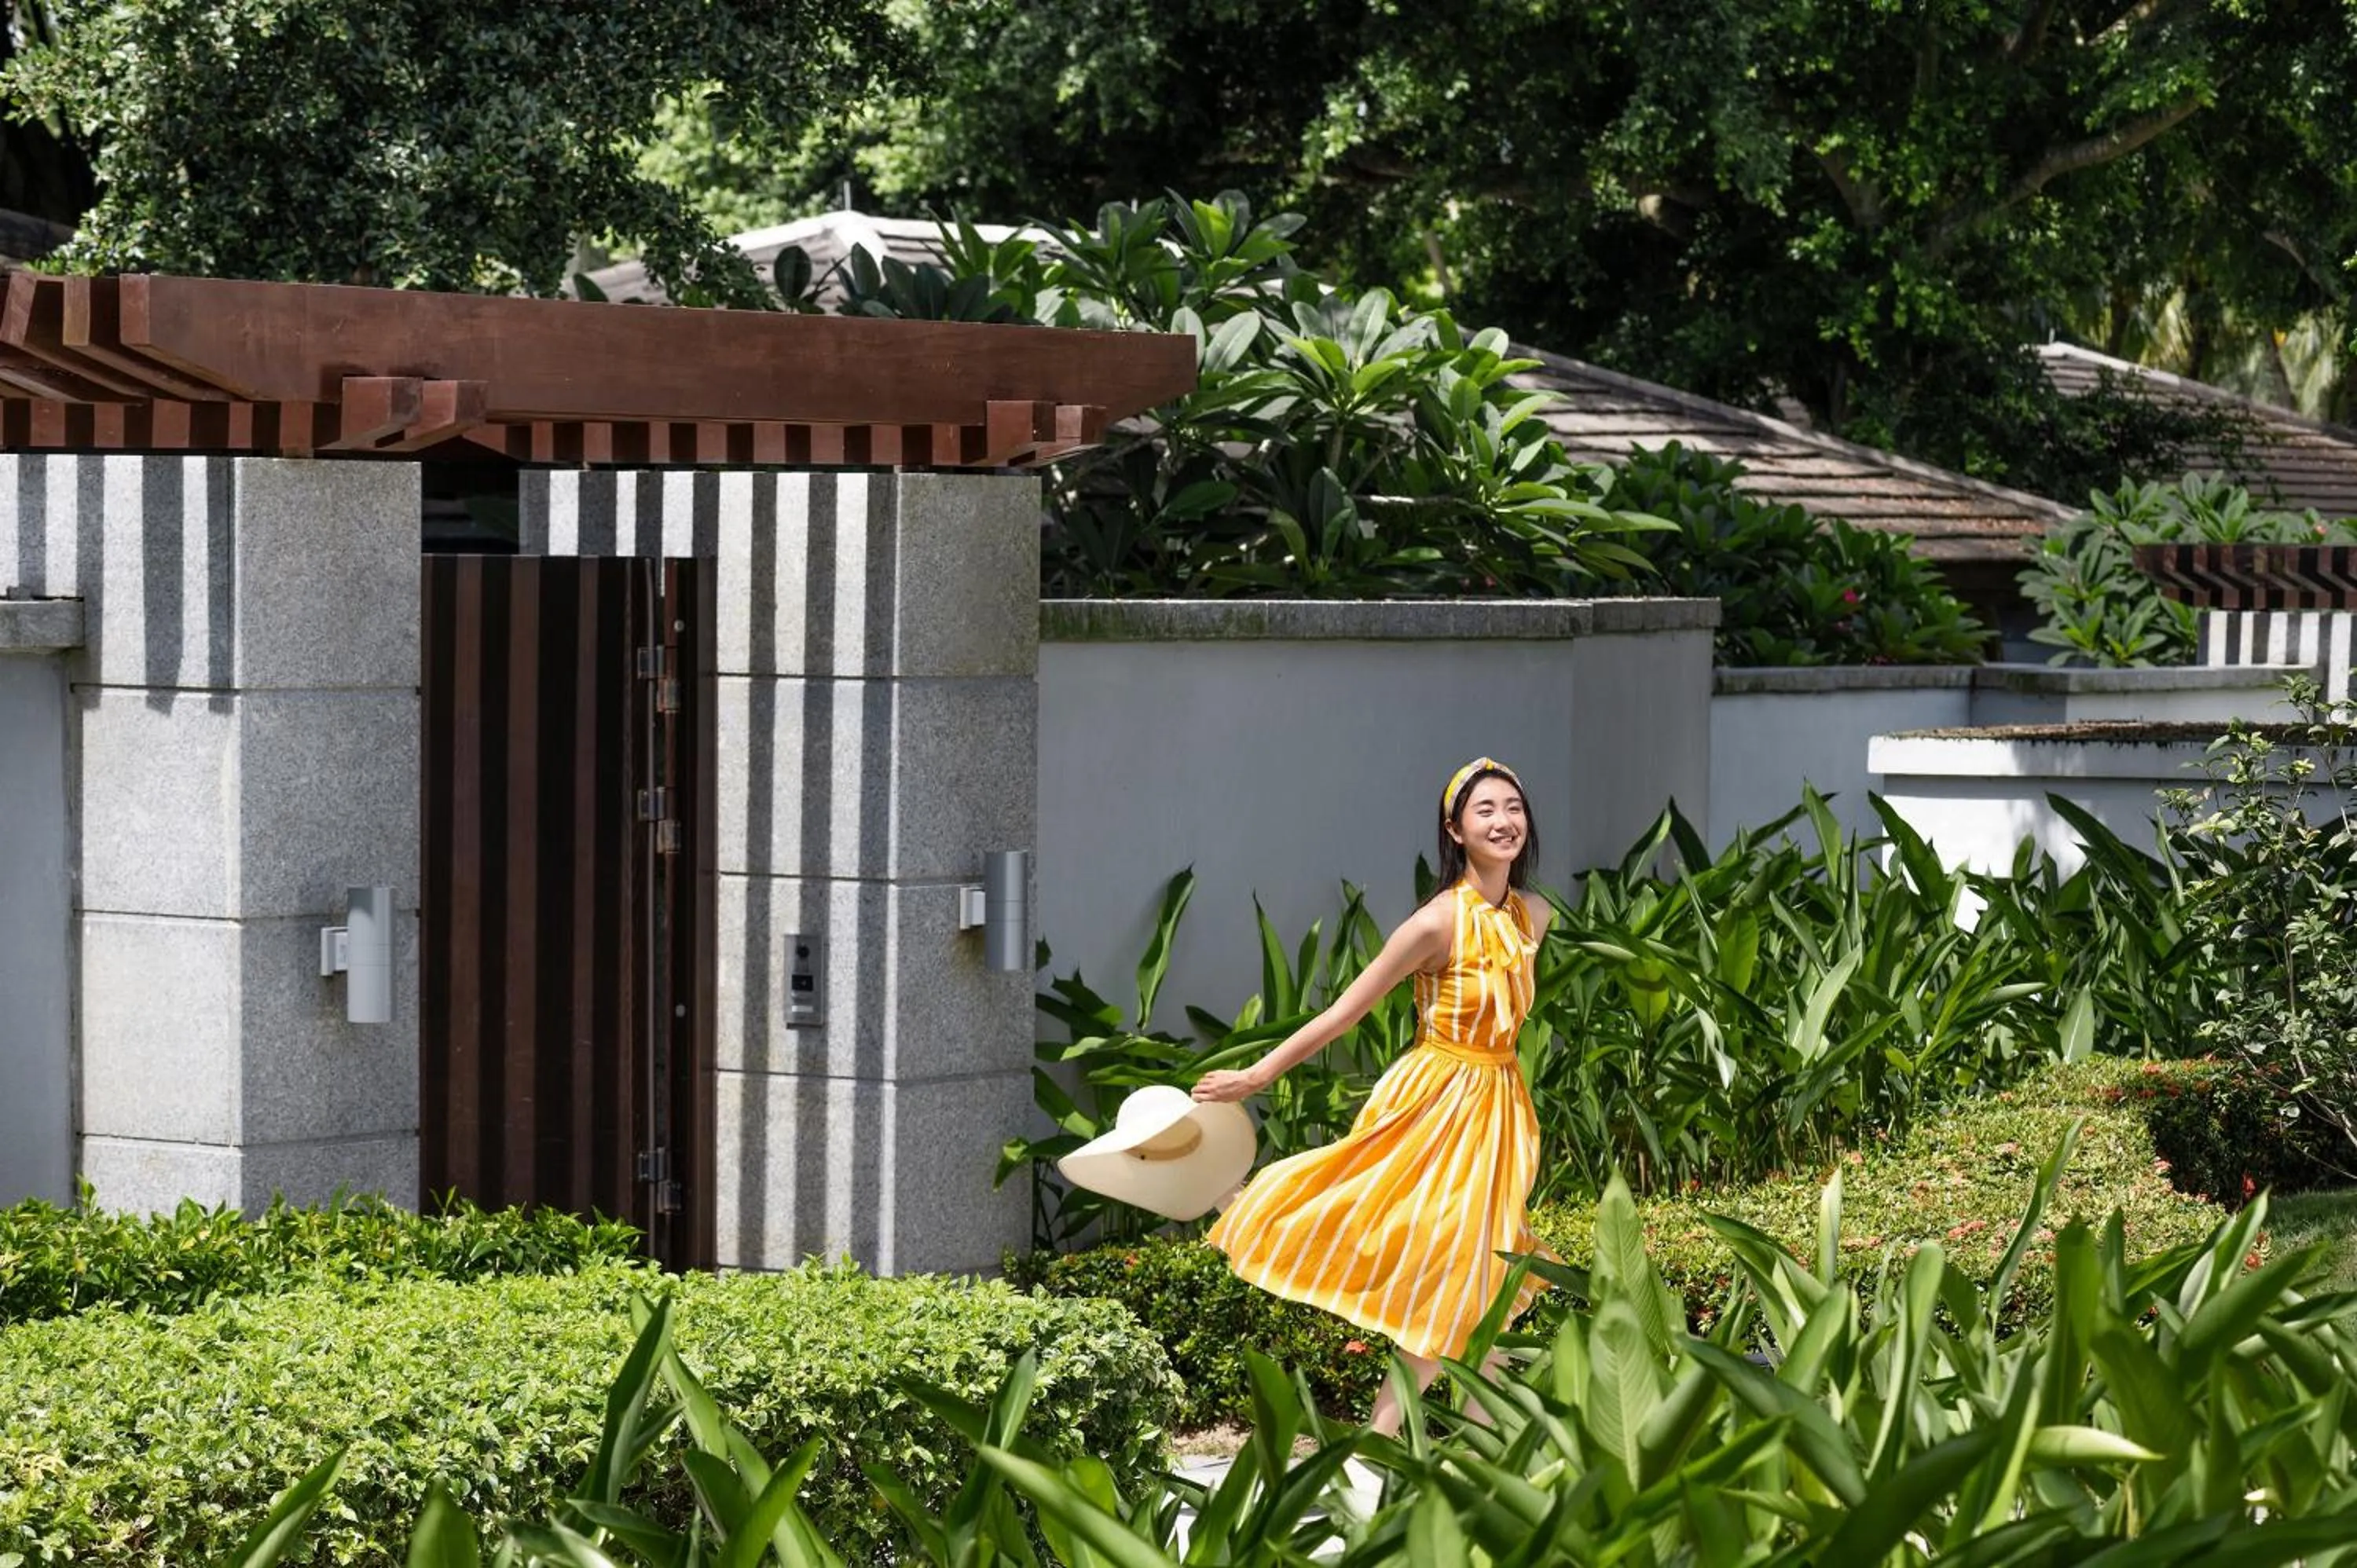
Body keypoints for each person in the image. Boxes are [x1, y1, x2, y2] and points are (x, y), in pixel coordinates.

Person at [1193, 757, 1555, 1437]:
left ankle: (1470, 1458)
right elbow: (1342, 1015)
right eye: (1485, 811)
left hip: (1500, 1110)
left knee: (1477, 1283)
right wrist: (1254, 1077)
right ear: (1454, 831)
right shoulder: (1435, 925)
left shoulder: (1534, 914)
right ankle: (1377, 1457)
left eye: (1514, 807)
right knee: (1452, 1281)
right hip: (1435, 1105)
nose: (1504, 821)